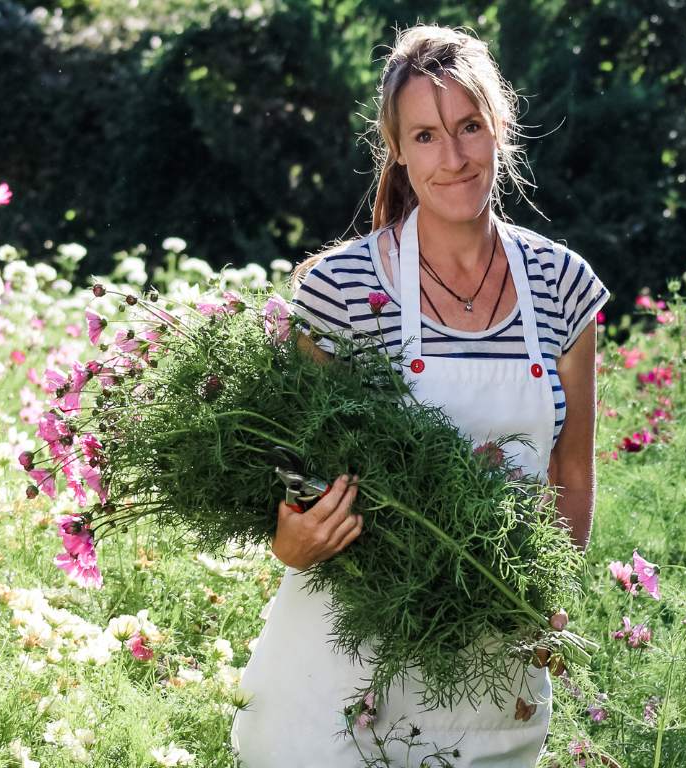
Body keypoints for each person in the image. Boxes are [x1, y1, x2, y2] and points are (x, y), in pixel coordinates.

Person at [232, 24, 609, 767]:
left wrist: (545, 598)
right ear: (397, 149)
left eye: (470, 127)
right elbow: (289, 473)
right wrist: (289, 540)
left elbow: (572, 472)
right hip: (343, 660)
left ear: (500, 128)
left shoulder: (562, 285)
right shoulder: (337, 289)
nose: (456, 157)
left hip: (489, 663)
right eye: (428, 136)